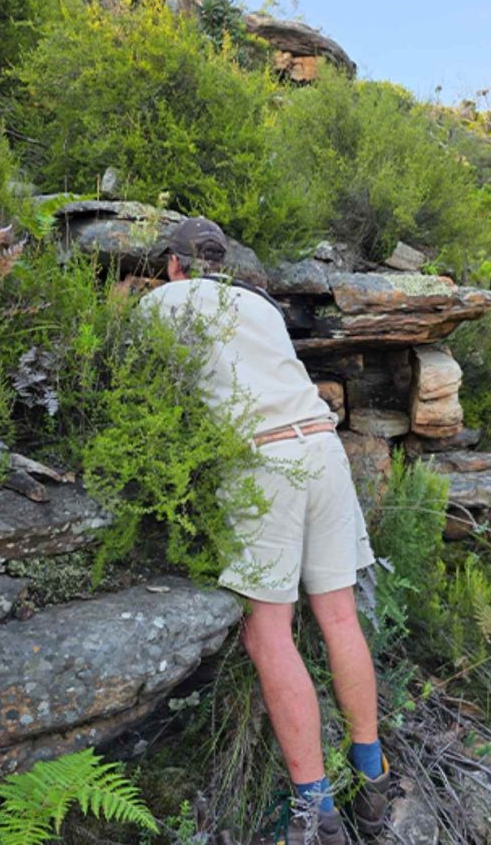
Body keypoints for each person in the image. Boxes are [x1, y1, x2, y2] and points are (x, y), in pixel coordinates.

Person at [135, 218, 392, 843]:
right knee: (339, 616)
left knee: (268, 633)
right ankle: (373, 780)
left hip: (264, 460)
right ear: (219, 264)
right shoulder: (260, 306)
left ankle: (314, 813)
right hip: (322, 447)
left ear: (174, 264)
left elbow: (137, 385)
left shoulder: (162, 304)